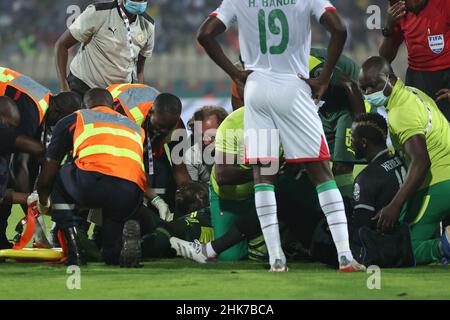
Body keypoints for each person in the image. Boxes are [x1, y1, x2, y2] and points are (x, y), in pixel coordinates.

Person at [197, 0, 365, 272]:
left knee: (263, 175)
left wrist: (235, 74)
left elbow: (204, 34)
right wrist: (324, 79)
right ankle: (345, 255)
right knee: (321, 171)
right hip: (292, 86)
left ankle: (276, 259)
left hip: (256, 89)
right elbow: (339, 29)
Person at [35, 88, 146, 267]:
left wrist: (43, 200)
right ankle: (118, 251)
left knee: (59, 175)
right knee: (110, 254)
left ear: (84, 106)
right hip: (131, 190)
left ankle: (74, 251)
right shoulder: (134, 126)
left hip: (92, 183)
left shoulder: (76, 118)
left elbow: (49, 170)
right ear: (112, 106)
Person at [359, 56, 450, 265]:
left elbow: (421, 161)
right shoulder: (413, 93)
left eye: (372, 86)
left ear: (390, 78)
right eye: (363, 89)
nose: (368, 94)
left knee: (404, 250)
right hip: (443, 173)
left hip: (439, 181)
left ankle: (444, 246)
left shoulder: (400, 112)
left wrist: (395, 205)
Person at [55, 0, 155, 96]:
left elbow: (139, 70)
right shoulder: (97, 12)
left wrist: (139, 95)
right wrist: (64, 87)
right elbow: (62, 45)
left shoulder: (148, 25)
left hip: (118, 95)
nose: (139, 3)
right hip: (83, 87)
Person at [309, 48, 366, 199]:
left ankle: (349, 211)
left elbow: (350, 85)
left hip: (350, 102)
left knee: (342, 167)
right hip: (326, 105)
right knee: (315, 164)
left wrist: (363, 126)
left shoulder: (310, 64)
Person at [379, 0, 450, 120]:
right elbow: (385, 57)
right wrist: (388, 27)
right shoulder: (399, 11)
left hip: (445, 78)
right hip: (417, 79)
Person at [185, 106, 228, 184]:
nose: (206, 141)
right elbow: (192, 191)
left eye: (211, 136)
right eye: (201, 136)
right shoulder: (191, 156)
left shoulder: (240, 148)